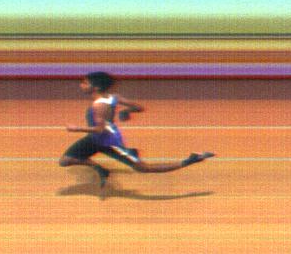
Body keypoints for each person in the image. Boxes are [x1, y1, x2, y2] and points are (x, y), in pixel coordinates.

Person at [60, 72, 215, 188]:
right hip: (95, 139)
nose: (81, 85)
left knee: (143, 168)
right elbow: (139, 107)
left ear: (96, 87)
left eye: (85, 83)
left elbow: (99, 129)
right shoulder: (113, 98)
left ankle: (189, 160)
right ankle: (100, 169)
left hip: (108, 141)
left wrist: (76, 129)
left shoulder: (98, 105)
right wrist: (126, 111)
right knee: (65, 161)